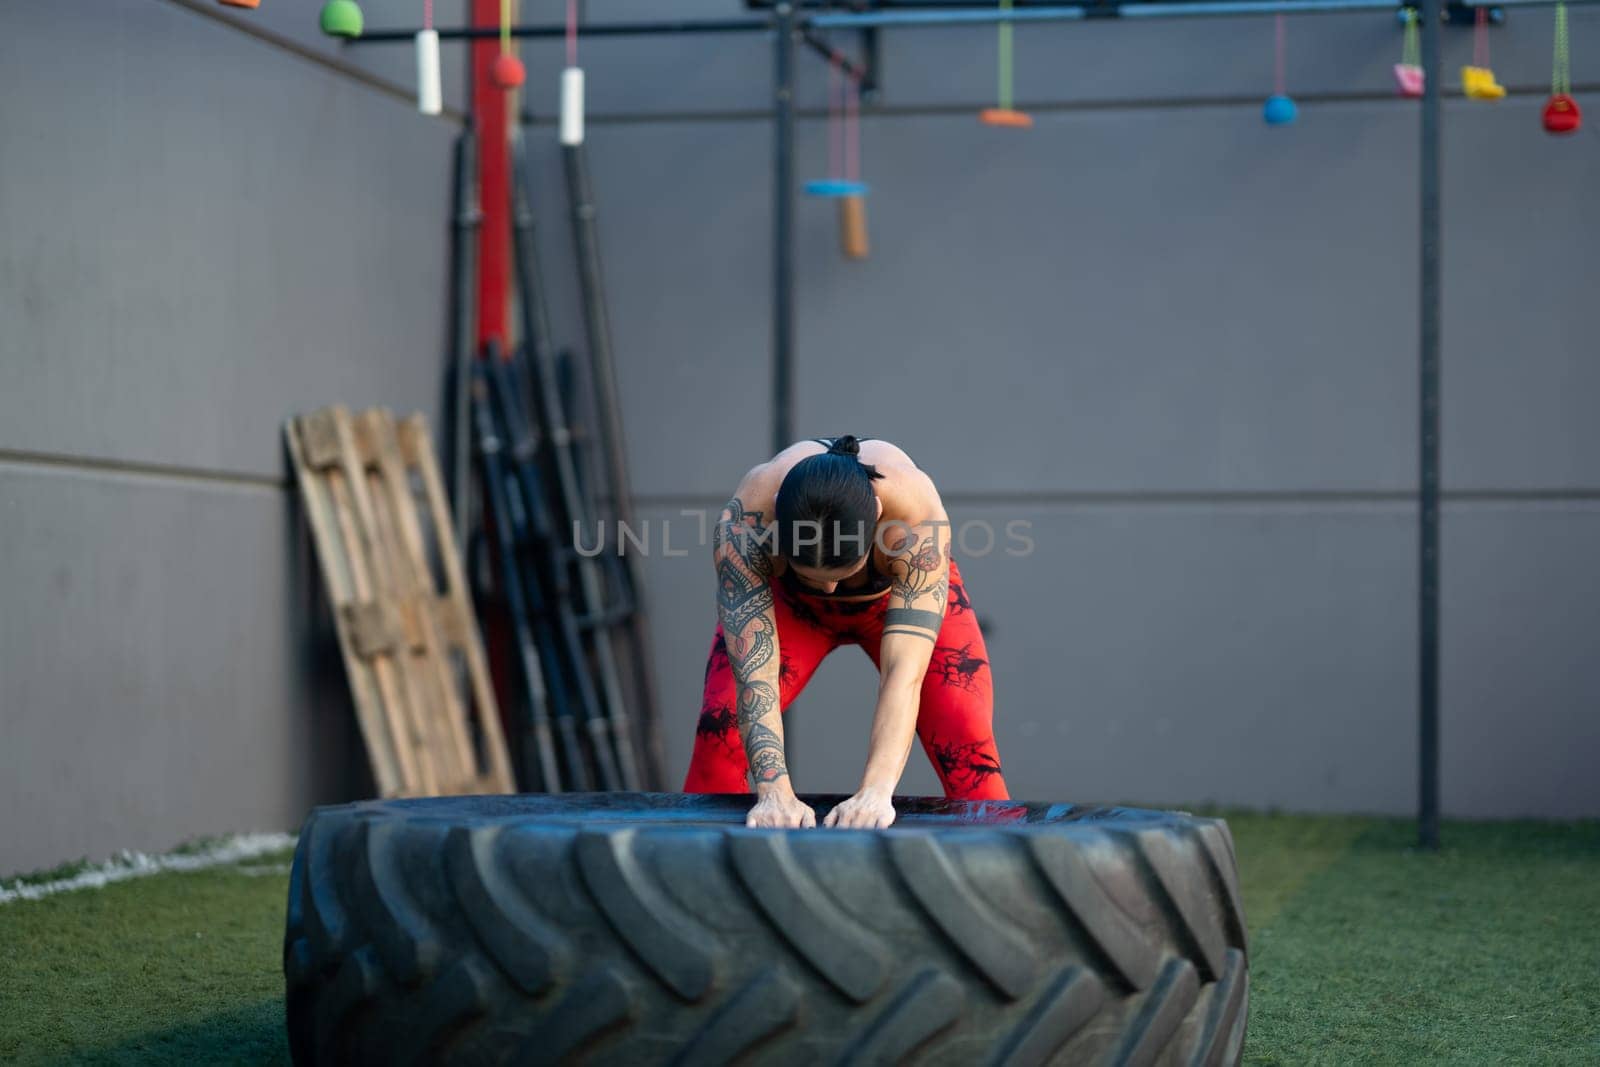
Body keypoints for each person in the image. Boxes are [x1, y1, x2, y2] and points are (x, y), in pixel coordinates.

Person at [683, 435, 1009, 828]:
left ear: (875, 514)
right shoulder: (746, 527)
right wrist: (774, 793)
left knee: (966, 734)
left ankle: (1007, 876)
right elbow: (756, 676)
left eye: (841, 575)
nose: (829, 590)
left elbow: (903, 678)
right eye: (814, 577)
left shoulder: (915, 525)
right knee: (722, 727)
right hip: (791, 608)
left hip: (896, 601)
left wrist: (876, 792)